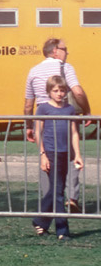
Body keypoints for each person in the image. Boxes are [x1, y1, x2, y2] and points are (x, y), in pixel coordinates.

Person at [23, 37, 88, 209]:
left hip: (43, 118)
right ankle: (72, 198)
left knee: (45, 158)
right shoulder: (66, 68)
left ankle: (48, 199)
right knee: (72, 155)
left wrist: (29, 126)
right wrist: (87, 111)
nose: (67, 53)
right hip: (64, 115)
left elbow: (28, 103)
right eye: (65, 49)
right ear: (55, 51)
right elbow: (78, 92)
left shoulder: (33, 71)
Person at [34, 75, 83, 239]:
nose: (59, 94)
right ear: (49, 92)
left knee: (57, 190)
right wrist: (43, 155)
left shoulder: (69, 109)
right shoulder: (43, 109)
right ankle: (62, 230)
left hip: (65, 153)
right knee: (58, 192)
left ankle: (40, 221)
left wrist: (77, 154)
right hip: (50, 152)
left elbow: (74, 133)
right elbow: (38, 133)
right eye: (55, 90)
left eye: (62, 90)